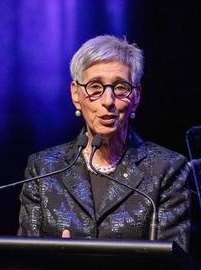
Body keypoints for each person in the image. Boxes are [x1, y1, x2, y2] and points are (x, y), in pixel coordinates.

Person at [17, 35, 191, 249]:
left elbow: (172, 266)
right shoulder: (44, 169)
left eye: (120, 87)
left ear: (136, 97)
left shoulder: (166, 169)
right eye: (95, 87)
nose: (108, 101)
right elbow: (26, 261)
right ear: (76, 94)